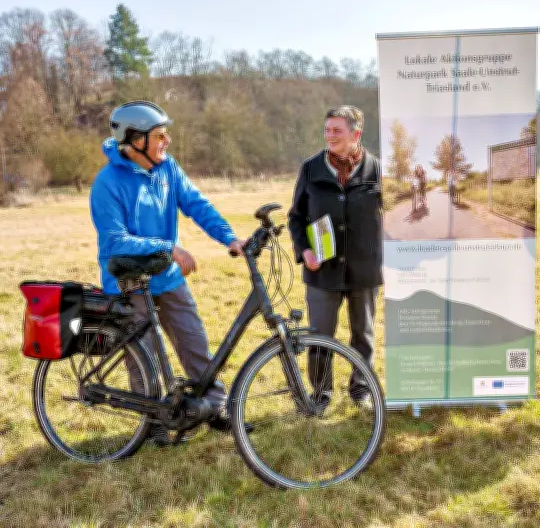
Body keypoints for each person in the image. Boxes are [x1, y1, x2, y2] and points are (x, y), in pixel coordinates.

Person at [89, 100, 252, 446]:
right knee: (144, 354)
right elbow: (115, 239)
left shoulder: (167, 169)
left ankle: (215, 407)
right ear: (135, 140)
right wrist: (168, 247)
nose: (168, 141)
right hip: (128, 280)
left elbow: (196, 204)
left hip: (167, 278)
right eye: (160, 135)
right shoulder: (107, 183)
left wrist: (230, 237)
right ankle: (153, 423)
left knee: (194, 341)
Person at [287, 105, 383, 411]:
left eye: (337, 130)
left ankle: (361, 390)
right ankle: (321, 395)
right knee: (320, 336)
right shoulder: (311, 168)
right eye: (327, 130)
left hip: (364, 270)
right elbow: (296, 217)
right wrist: (304, 250)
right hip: (322, 272)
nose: (330, 136)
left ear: (356, 134)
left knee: (363, 335)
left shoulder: (377, 170)